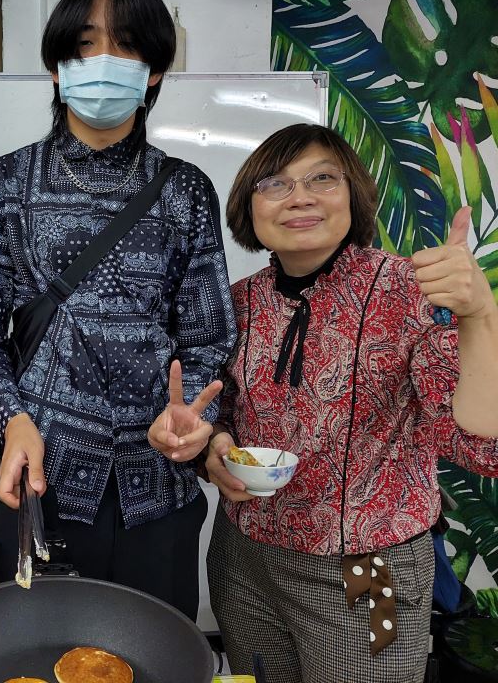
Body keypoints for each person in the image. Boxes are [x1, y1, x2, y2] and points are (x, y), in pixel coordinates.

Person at [0, 0, 234, 618]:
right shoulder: (4, 183)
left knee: (154, 654)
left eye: (126, 45)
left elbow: (209, 336)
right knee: (31, 654)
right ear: (57, 67)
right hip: (38, 481)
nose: (103, 60)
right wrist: (10, 418)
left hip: (157, 492)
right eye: (84, 45)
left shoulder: (186, 190)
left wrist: (191, 418)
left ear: (153, 70)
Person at [204, 123, 498, 683]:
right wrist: (214, 446)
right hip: (244, 560)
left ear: (354, 195)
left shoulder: (410, 291)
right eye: (275, 184)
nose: (300, 197)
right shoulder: (238, 301)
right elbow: (219, 409)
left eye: (322, 179)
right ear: (249, 206)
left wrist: (481, 315)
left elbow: (482, 447)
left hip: (368, 569)